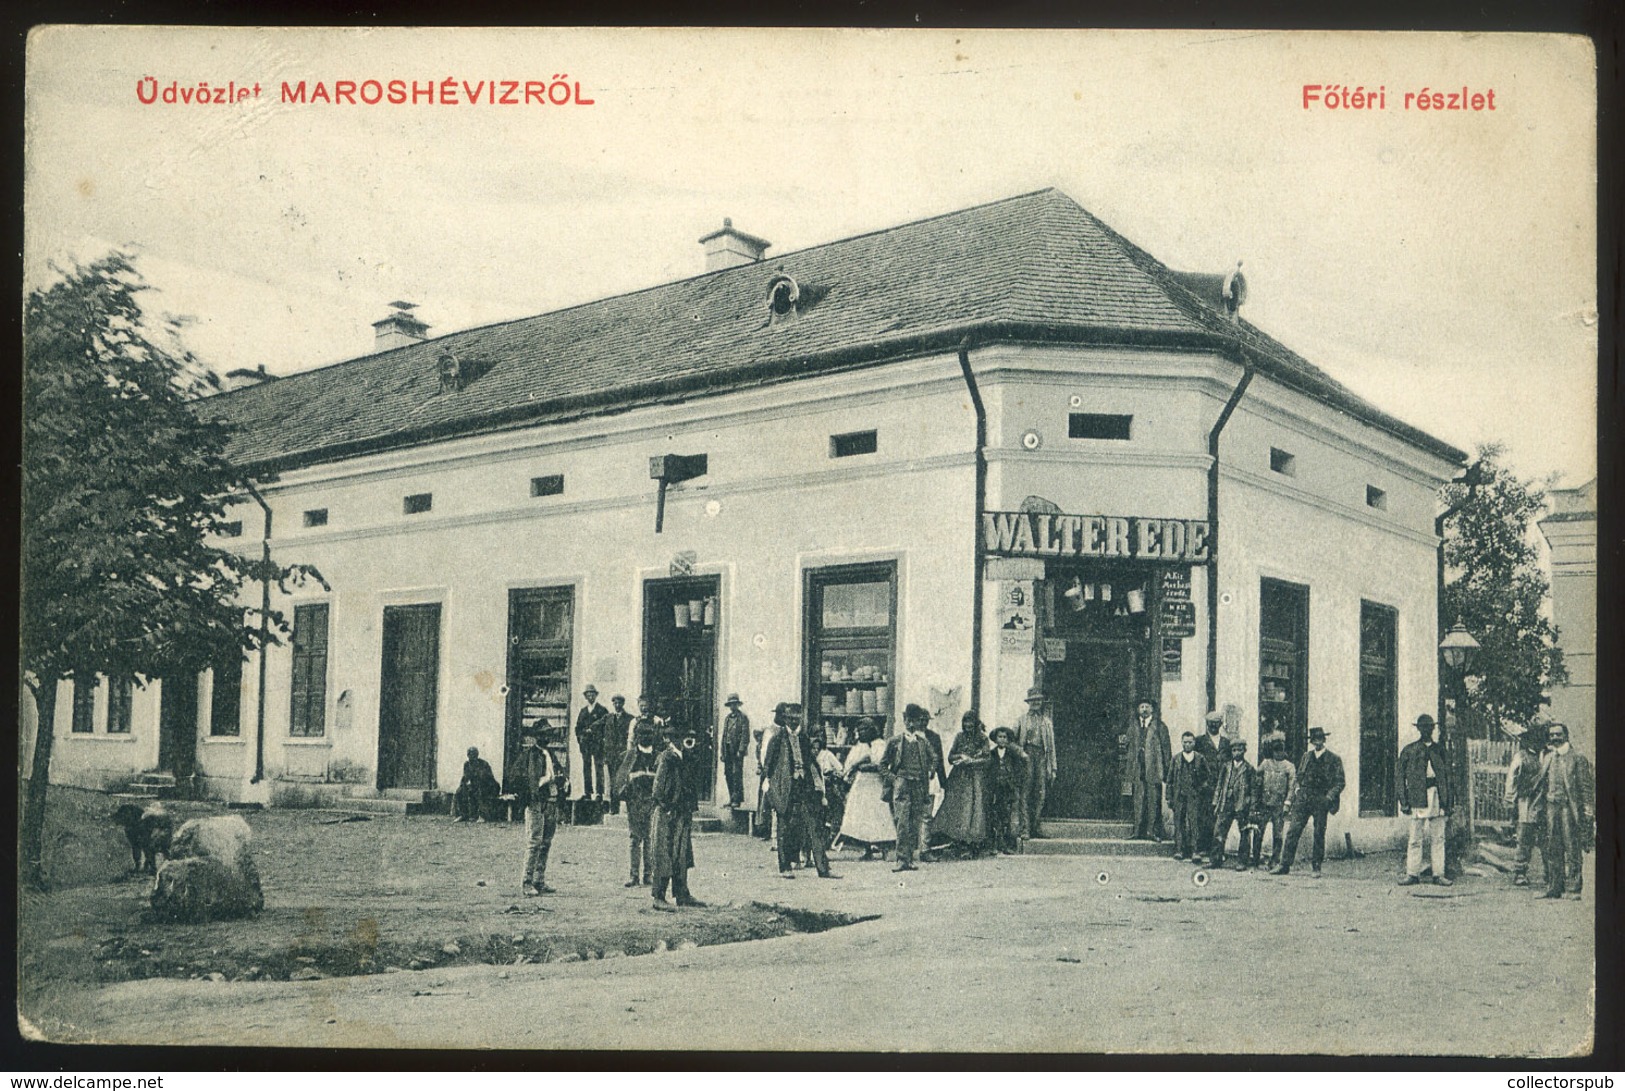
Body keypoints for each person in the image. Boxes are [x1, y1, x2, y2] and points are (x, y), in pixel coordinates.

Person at [761, 703, 838, 880]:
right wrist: (771, 790)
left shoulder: (804, 738)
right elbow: (768, 767)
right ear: (785, 718)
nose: (794, 721)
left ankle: (823, 869)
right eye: (790, 718)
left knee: (815, 825)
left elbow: (812, 762)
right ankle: (785, 866)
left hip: (805, 787)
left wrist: (818, 786)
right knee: (784, 827)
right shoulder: (777, 739)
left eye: (797, 718)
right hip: (786, 787)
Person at [1270, 727, 1344, 878]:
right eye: (1314, 739)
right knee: (1293, 830)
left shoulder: (1334, 759)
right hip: (1303, 798)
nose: (1317, 742)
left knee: (1319, 833)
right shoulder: (1306, 756)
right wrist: (1297, 790)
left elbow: (1340, 782)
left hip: (1321, 800)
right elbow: (1298, 776)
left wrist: (1329, 797)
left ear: (1324, 740)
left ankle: (1316, 867)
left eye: (1320, 739)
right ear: (1311, 741)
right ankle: (1284, 865)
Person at [650, 722, 706, 910]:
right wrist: (666, 806)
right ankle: (658, 896)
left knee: (681, 854)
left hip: (682, 812)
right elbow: (657, 789)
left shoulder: (684, 757)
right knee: (663, 853)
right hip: (668, 812)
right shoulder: (666, 758)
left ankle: (682, 894)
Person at [1537, 722, 1594, 900]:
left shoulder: (1577, 758)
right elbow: (1541, 786)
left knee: (1572, 847)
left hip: (1569, 809)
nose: (1554, 737)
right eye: (1552, 734)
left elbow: (1585, 788)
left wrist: (1588, 810)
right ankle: (1554, 888)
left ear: (1566, 736)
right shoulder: (1548, 757)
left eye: (1558, 734)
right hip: (1551, 807)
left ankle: (1574, 889)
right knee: (1552, 847)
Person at [1397, 714, 1452, 886]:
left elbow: (1449, 778)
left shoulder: (1440, 750)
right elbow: (1400, 777)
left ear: (1433, 729)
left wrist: (1448, 802)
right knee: (1415, 837)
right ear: (1418, 729)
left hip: (1438, 795)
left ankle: (1438, 874)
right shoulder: (1409, 750)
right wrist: (1404, 802)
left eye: (1430, 727)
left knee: (1438, 837)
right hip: (1418, 796)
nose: (1427, 730)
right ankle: (1412, 874)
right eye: (1424, 727)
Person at [883, 704, 938, 871]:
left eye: (915, 721)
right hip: (902, 785)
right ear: (904, 720)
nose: (912, 725)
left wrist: (931, 771)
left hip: (919, 785)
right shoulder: (894, 742)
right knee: (902, 822)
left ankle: (910, 859)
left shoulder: (923, 742)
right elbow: (883, 765)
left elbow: (934, 757)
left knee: (914, 823)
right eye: (909, 720)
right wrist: (894, 779)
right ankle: (901, 860)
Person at [514, 722, 564, 896]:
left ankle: (539, 880)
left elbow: (558, 773)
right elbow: (520, 778)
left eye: (548, 734)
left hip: (552, 801)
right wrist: (534, 788)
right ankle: (526, 882)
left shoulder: (550, 754)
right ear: (536, 736)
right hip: (536, 802)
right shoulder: (529, 755)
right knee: (534, 842)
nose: (546, 737)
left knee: (546, 843)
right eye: (543, 734)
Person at [933, 712, 993, 857]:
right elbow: (950, 757)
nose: (968, 726)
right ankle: (957, 840)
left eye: (971, 723)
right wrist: (960, 757)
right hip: (959, 777)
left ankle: (972, 841)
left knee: (974, 807)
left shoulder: (983, 739)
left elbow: (987, 759)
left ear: (976, 723)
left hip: (976, 778)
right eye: (965, 722)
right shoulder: (959, 737)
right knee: (957, 807)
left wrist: (972, 761)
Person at [839, 719, 895, 858]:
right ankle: (866, 848)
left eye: (864, 729)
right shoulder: (858, 747)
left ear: (872, 730)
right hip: (861, 784)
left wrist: (867, 765)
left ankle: (884, 848)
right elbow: (849, 765)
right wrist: (854, 768)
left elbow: (883, 764)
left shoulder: (881, 745)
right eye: (860, 730)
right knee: (861, 816)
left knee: (879, 815)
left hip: (876, 783)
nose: (861, 733)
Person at [613, 721, 660, 887]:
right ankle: (634, 875)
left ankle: (648, 875)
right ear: (637, 736)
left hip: (652, 803)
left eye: (649, 734)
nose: (646, 737)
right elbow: (622, 778)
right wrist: (637, 777)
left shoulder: (658, 756)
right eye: (642, 734)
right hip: (635, 802)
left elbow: (661, 779)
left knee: (650, 839)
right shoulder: (630, 755)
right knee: (635, 839)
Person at [1502, 722, 1547, 888]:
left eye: (1539, 739)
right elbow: (1511, 779)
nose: (1536, 742)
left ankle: (1549, 873)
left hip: (1546, 803)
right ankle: (1520, 872)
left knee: (1546, 838)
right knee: (1525, 838)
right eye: (1533, 739)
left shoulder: (1548, 755)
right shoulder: (1521, 756)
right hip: (1527, 803)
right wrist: (1509, 800)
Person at [1127, 698, 1172, 841]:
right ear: (1138, 710)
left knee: (1154, 799)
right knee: (1138, 799)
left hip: (1154, 767)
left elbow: (1166, 749)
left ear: (1152, 709)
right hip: (1138, 768)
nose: (1144, 709)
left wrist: (1166, 769)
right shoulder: (1133, 727)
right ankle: (1137, 831)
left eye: (1147, 707)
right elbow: (1128, 747)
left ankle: (1153, 832)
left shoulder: (1160, 726)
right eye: (1142, 707)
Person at [1249, 738, 1296, 870]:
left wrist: (1287, 803)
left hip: (1279, 805)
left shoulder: (1289, 766)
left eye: (1281, 750)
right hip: (1264, 803)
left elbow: (1292, 786)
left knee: (1277, 833)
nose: (1278, 754)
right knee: (1259, 831)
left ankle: (1274, 860)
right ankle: (1255, 859)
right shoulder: (1266, 763)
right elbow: (1256, 778)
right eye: (1276, 750)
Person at [1209, 738, 1256, 869]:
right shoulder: (1226, 766)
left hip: (1242, 804)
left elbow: (1253, 790)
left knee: (1244, 833)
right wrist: (1215, 801)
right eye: (1234, 750)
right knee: (1219, 830)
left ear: (1244, 751)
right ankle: (1215, 860)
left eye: (1239, 750)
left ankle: (1242, 862)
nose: (1236, 753)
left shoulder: (1249, 768)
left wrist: (1250, 805)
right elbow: (1219, 785)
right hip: (1226, 802)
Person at [1016, 688, 1056, 838]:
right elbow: (1011, 741)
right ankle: (1025, 829)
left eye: (1038, 700)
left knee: (1040, 793)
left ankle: (1035, 827)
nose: (1036, 703)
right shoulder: (1021, 720)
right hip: (1027, 757)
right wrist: (1021, 752)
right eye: (1033, 700)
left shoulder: (1046, 722)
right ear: (1029, 702)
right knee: (1025, 792)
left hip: (1041, 758)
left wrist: (1053, 768)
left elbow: (1051, 747)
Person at [1165, 731, 1211, 861]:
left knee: (1194, 823)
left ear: (1194, 743)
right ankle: (1179, 850)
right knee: (1179, 823)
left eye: (1190, 742)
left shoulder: (1200, 758)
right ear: (1181, 742)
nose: (1187, 745)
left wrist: (1201, 789)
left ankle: (1195, 851)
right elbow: (1170, 779)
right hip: (1179, 795)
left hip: (1194, 796)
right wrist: (1169, 796)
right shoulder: (1176, 759)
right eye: (1185, 742)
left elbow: (1207, 777)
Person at [986, 725, 1028, 855]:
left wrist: (1015, 781)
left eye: (1005, 737)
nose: (1002, 740)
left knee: (1008, 817)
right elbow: (988, 771)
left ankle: (1008, 845)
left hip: (1008, 788)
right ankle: (995, 845)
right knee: (995, 816)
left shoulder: (1012, 754)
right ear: (995, 739)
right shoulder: (991, 754)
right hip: (995, 788)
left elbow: (1019, 769)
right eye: (1000, 737)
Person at [574, 685, 611, 801]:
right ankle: (588, 792)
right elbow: (578, 728)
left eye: (592, 694)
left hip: (597, 743)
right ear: (585, 696)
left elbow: (607, 727)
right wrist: (581, 738)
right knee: (586, 767)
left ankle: (599, 793)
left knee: (599, 767)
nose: (590, 696)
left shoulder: (602, 710)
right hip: (586, 744)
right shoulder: (583, 711)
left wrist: (600, 737)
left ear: (596, 695)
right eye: (588, 694)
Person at [453, 746, 500, 822]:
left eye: (474, 754)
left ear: (477, 755)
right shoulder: (467, 765)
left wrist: (473, 784)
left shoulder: (483, 764)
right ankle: (463, 814)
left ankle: (483, 816)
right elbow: (465, 777)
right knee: (460, 791)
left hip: (490, 786)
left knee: (480, 791)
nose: (472, 757)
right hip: (475, 785)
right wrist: (463, 786)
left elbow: (485, 779)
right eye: (470, 755)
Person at [721, 693, 751, 808]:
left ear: (737, 705)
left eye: (734, 704)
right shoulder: (727, 718)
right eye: (731, 704)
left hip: (737, 751)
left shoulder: (743, 718)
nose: (732, 706)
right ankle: (731, 798)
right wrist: (722, 752)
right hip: (728, 749)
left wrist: (741, 750)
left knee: (736, 774)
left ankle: (737, 799)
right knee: (728, 774)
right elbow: (724, 736)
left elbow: (745, 735)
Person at [603, 694, 633, 812]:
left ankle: (628, 807)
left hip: (624, 755)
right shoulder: (608, 718)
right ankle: (614, 808)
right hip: (611, 756)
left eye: (619, 703)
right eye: (615, 703)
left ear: (623, 704)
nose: (617, 705)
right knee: (613, 782)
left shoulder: (630, 718)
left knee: (625, 780)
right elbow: (596, 728)